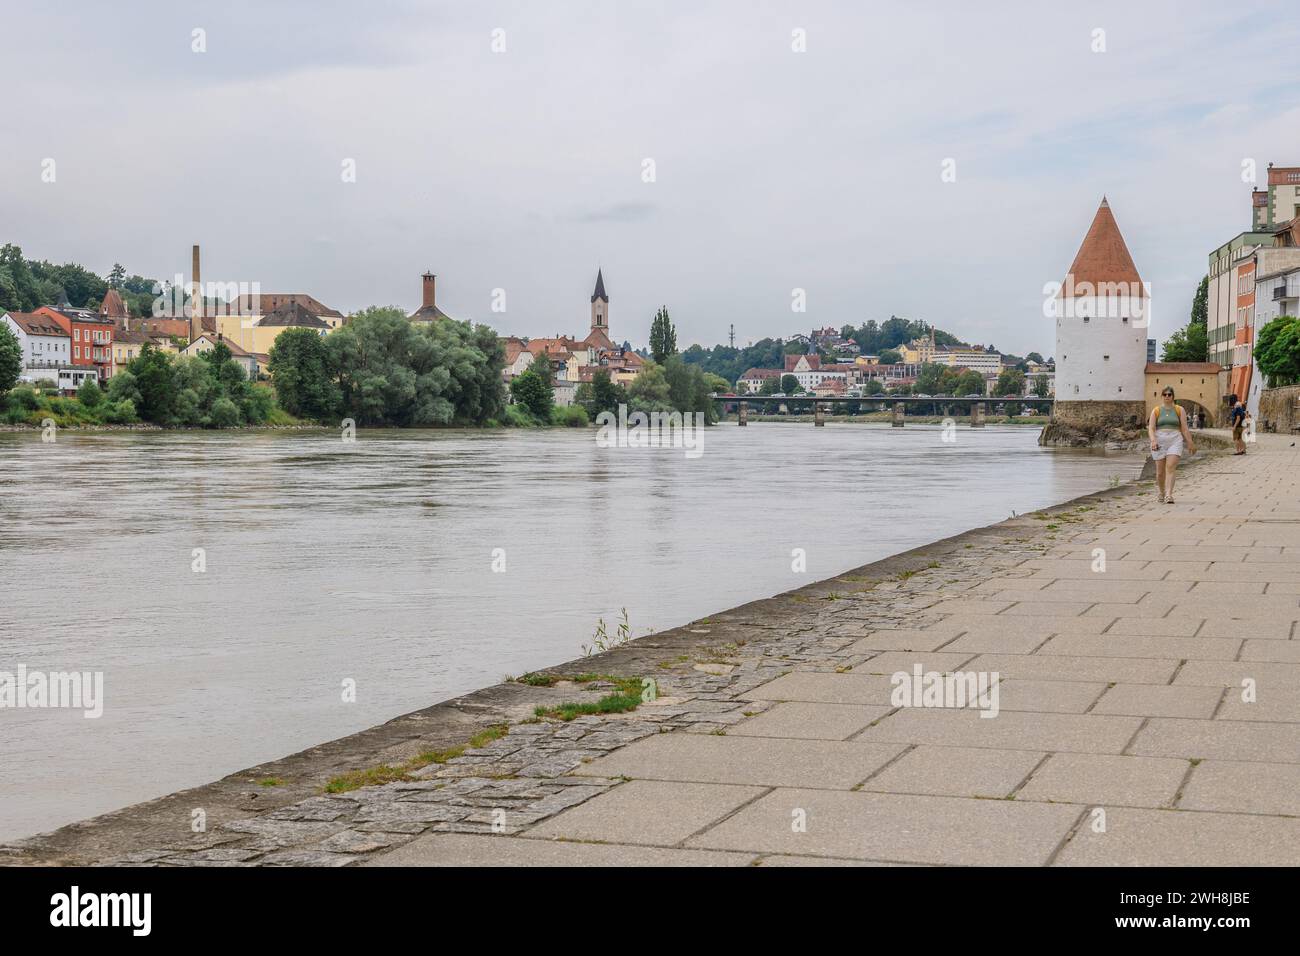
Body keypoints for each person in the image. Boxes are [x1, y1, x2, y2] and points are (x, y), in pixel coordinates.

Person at [1149, 387, 1196, 504]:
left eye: (1169, 394)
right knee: (1160, 472)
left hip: (1175, 439)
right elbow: (1151, 428)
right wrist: (1153, 440)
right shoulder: (1156, 410)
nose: (1167, 396)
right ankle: (1161, 492)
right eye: (1164, 394)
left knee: (1170, 467)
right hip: (1159, 440)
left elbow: (1184, 428)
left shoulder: (1180, 410)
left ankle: (1169, 495)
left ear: (1173, 396)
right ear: (1162, 396)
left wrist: (1190, 442)